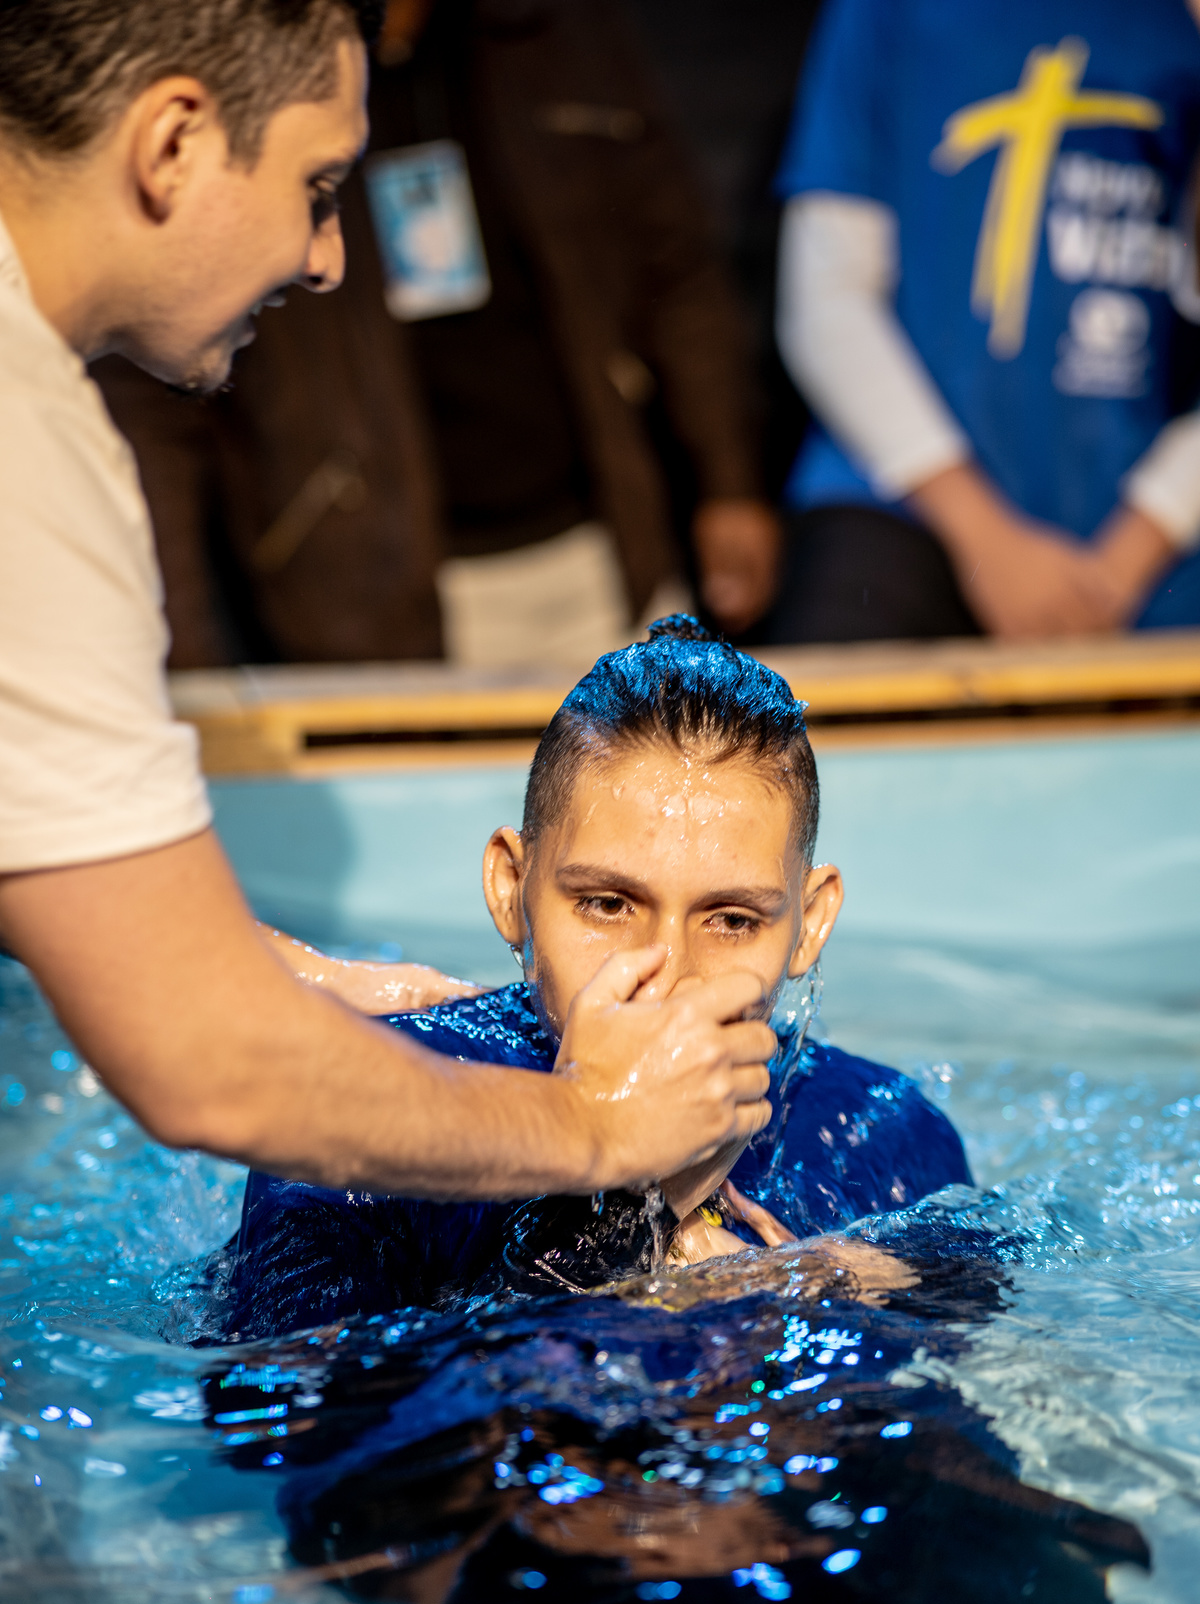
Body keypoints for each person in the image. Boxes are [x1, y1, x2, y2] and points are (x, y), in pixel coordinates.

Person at [0, 1, 778, 1215]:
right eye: (317, 186)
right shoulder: (28, 449)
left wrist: (295, 977)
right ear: (172, 147)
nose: (328, 257)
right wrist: (593, 1123)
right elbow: (215, 1070)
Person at [212, 619, 969, 1341]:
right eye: (607, 905)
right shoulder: (356, 1131)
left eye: (732, 920)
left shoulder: (882, 1130)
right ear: (512, 889)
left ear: (810, 920)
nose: (665, 978)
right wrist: (619, 1235)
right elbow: (295, 1437)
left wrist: (814, 1294)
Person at [95, 0, 779, 671]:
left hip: (601, 545)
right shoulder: (239, 61)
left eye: (329, 187)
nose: (321, 259)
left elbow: (679, 269)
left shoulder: (555, 32)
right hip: (362, 591)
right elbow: (150, 376)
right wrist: (172, 640)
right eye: (313, 189)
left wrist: (729, 480)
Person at [758, 0, 1200, 644]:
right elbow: (825, 304)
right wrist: (988, 542)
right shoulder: (887, 16)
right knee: (810, 718)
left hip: (1159, 543)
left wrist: (1131, 554)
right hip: (906, 503)